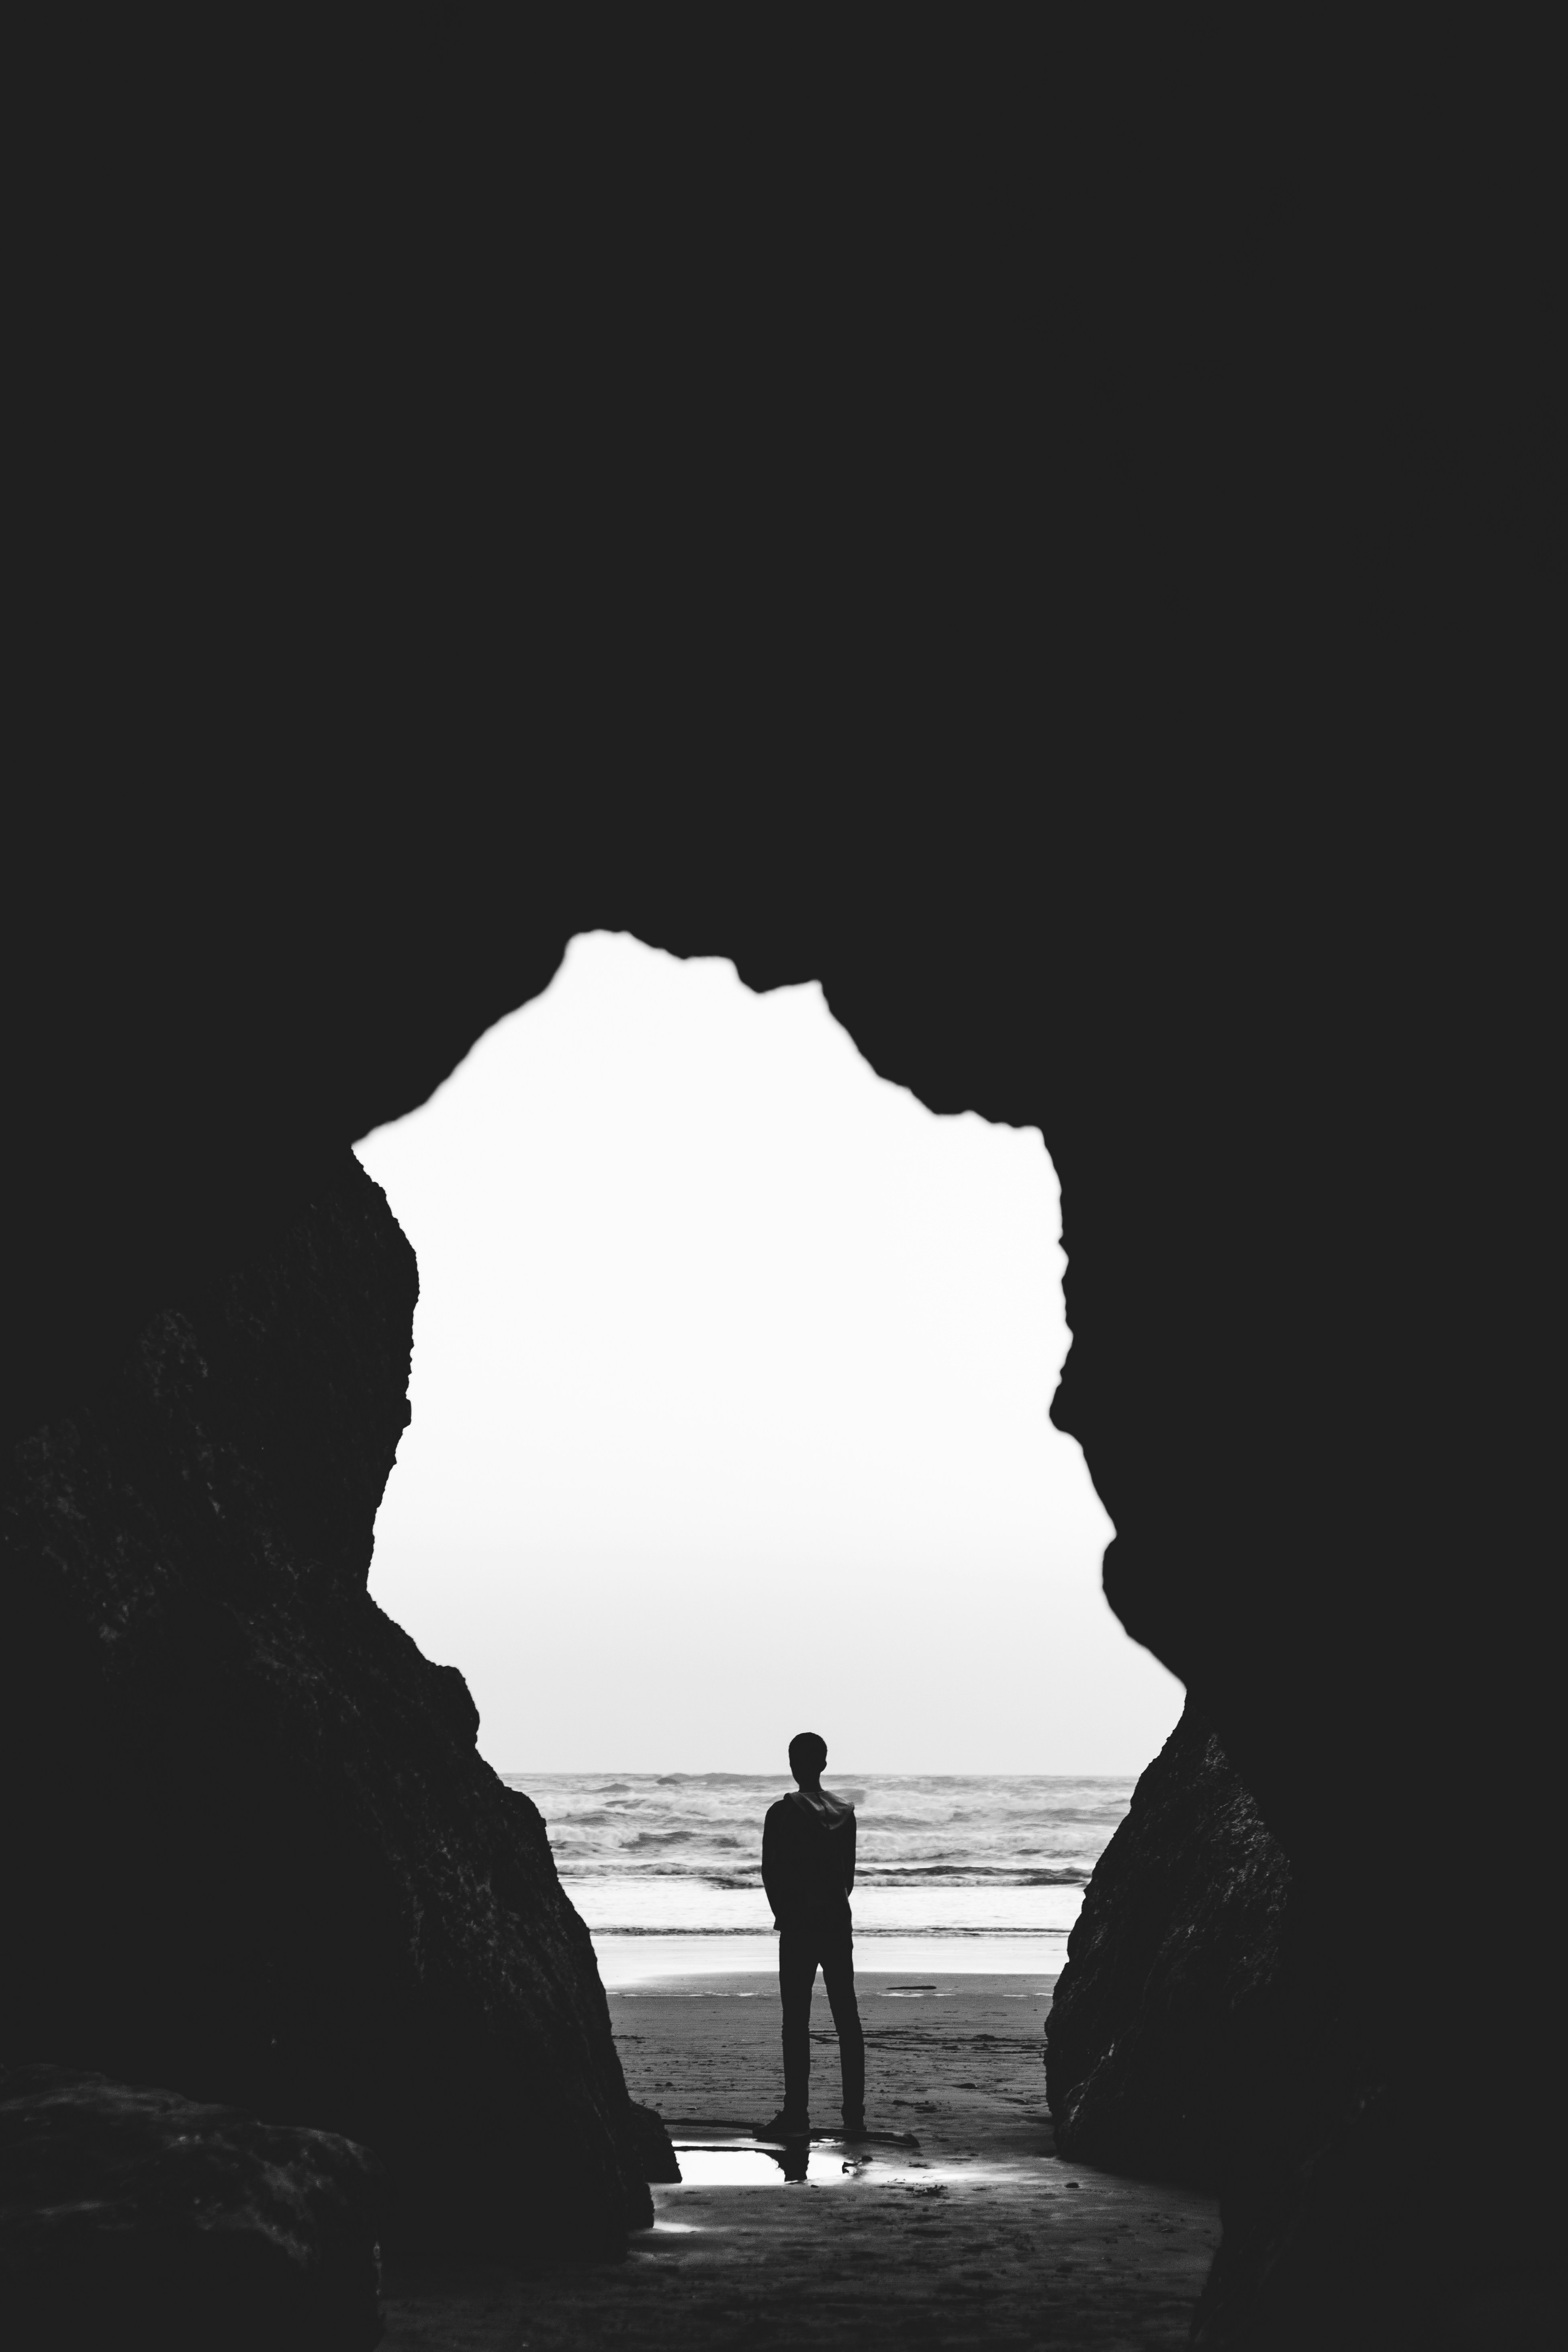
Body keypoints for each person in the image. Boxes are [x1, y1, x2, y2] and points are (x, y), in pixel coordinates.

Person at [758, 1731, 866, 2142]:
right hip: (837, 1920)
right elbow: (848, 1877)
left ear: (793, 1764)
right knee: (847, 2018)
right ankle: (853, 2112)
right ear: (823, 1763)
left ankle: (796, 2112)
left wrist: (784, 1913)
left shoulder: (782, 1812)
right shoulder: (845, 1813)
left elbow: (772, 1872)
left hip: (799, 1923)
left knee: (796, 2021)